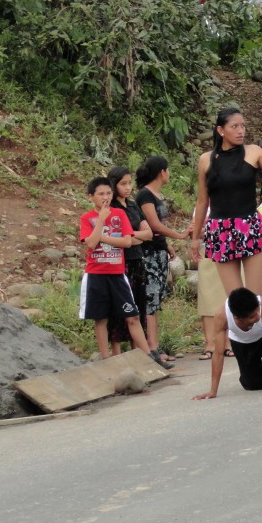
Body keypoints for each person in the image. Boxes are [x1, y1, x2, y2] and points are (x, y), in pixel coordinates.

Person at [189, 108, 262, 299]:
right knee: (237, 300)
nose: (240, 131)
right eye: (234, 126)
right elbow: (203, 201)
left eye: (243, 126)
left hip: (250, 227)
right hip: (220, 230)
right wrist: (196, 239)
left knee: (256, 297)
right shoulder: (206, 160)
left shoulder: (253, 152)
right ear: (221, 130)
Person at [78, 177, 170, 369]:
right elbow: (90, 243)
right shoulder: (87, 218)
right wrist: (101, 221)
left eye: (108, 193)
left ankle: (149, 357)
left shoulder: (119, 214)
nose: (105, 197)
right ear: (91, 197)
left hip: (118, 273)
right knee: (101, 318)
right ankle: (106, 360)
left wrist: (102, 236)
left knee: (133, 315)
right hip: (96, 274)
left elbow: (127, 242)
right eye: (101, 194)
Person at [191, 287, 262, 398]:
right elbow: (218, 355)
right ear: (238, 318)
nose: (257, 316)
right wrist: (212, 391)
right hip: (241, 342)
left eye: (256, 311)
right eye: (252, 316)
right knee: (252, 385)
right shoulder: (222, 316)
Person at [136, 156, 189, 363]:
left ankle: (155, 346)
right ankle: (151, 349)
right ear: (161, 172)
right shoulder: (145, 195)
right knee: (150, 299)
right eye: (168, 170)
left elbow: (159, 228)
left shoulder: (156, 195)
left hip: (158, 251)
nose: (169, 174)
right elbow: (155, 225)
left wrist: (166, 244)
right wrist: (180, 235)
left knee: (156, 301)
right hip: (147, 253)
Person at [106, 166, 152, 355]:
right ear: (114, 185)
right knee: (119, 308)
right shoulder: (111, 209)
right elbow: (124, 240)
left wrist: (133, 236)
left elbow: (148, 233)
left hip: (137, 261)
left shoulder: (132, 205)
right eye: (123, 184)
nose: (128, 187)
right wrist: (133, 237)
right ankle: (116, 352)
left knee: (139, 305)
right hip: (120, 263)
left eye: (129, 183)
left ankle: (138, 350)